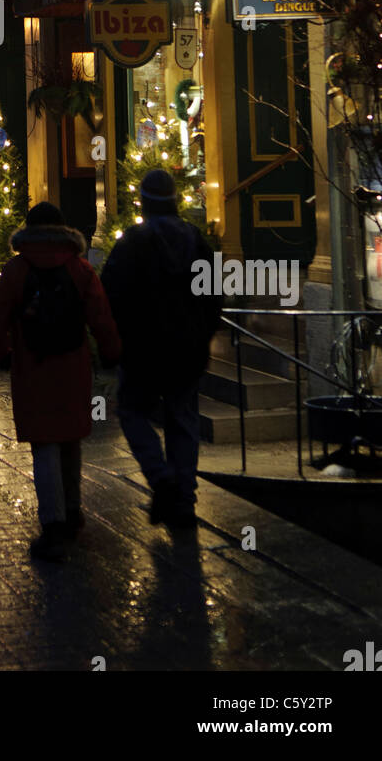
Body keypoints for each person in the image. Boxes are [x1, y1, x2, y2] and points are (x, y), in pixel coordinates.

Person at [0, 201, 122, 562]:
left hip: (33, 366)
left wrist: (2, 353)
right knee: (70, 440)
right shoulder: (80, 269)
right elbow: (101, 316)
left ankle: (53, 525)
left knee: (44, 444)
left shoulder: (16, 269)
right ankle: (73, 512)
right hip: (72, 365)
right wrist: (110, 351)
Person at [100, 169, 220, 530]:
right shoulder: (195, 240)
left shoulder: (133, 242)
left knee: (133, 412)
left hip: (144, 350)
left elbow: (110, 295)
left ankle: (160, 476)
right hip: (187, 349)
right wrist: (203, 335)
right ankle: (183, 499)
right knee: (183, 418)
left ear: (145, 202)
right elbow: (213, 295)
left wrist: (116, 342)